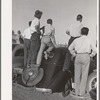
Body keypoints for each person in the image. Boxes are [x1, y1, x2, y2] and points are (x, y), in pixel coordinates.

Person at [68, 27, 97, 97]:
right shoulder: (89, 40)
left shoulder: (76, 40)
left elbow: (69, 48)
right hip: (86, 56)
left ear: (81, 32)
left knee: (77, 74)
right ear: (88, 32)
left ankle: (76, 91)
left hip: (78, 56)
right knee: (84, 75)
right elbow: (95, 50)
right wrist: (91, 55)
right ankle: (81, 92)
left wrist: (74, 54)